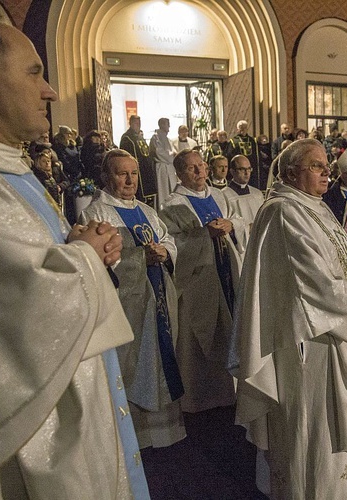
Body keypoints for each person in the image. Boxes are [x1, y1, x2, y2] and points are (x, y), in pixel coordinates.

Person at [0, 11, 148, 498]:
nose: (49, 91)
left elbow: (21, 265)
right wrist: (84, 259)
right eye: (34, 72)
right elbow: (17, 310)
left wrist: (83, 248)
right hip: (27, 431)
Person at [229, 138, 347, 499]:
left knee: (330, 429)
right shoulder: (284, 211)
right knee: (315, 428)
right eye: (316, 166)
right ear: (289, 172)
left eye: (325, 165)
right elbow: (313, 283)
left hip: (335, 332)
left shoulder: (313, 206)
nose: (326, 172)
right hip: (310, 342)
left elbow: (345, 256)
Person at [80, 149, 186, 449]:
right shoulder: (96, 213)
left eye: (134, 173)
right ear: (106, 176)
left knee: (160, 357)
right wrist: (141, 257)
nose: (130, 180)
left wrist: (164, 252)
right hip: (127, 305)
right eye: (121, 173)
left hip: (158, 298)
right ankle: (134, 437)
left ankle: (165, 431)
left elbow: (167, 240)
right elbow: (96, 260)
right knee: (132, 363)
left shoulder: (147, 211)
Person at [159, 149, 245, 413]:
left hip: (226, 272)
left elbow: (241, 222)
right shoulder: (173, 204)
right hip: (198, 280)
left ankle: (232, 391)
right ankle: (200, 398)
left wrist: (232, 226)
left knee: (230, 329)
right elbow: (171, 243)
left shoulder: (220, 195)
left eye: (201, 166)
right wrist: (201, 235)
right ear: (179, 174)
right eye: (191, 168)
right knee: (198, 340)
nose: (199, 172)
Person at [222, 154, 264, 250]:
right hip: (239, 248)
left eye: (249, 169)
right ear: (232, 171)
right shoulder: (224, 196)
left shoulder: (257, 194)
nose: (247, 173)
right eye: (242, 169)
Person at [120, 114, 157, 206]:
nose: (138, 125)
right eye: (136, 123)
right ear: (131, 123)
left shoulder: (139, 136)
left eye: (139, 123)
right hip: (137, 169)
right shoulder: (127, 137)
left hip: (146, 168)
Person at [149, 117, 178, 203]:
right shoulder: (155, 137)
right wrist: (172, 155)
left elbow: (173, 151)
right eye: (167, 124)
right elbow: (159, 152)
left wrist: (174, 154)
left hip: (170, 168)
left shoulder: (168, 139)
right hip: (161, 168)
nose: (169, 126)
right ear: (161, 125)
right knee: (163, 191)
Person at [230, 120, 260, 188]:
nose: (243, 129)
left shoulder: (253, 141)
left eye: (245, 127)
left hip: (251, 169)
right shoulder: (233, 141)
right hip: (239, 169)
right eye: (241, 127)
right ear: (237, 129)